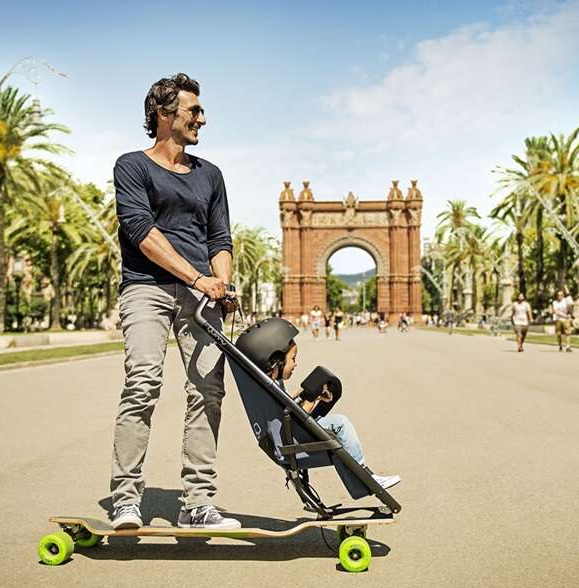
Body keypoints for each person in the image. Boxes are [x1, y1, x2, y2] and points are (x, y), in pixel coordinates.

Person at [110, 73, 240, 531]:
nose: (202, 118)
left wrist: (221, 283)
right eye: (193, 110)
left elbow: (219, 237)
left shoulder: (210, 174)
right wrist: (198, 278)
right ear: (164, 114)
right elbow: (142, 234)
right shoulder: (132, 166)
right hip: (146, 287)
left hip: (201, 293)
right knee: (143, 382)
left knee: (208, 391)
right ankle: (126, 498)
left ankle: (198, 503)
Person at [236, 318, 400, 489]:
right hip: (292, 445)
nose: (296, 363)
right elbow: (294, 420)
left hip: (287, 440)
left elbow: (287, 411)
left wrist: (309, 393)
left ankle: (362, 479)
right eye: (293, 358)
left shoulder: (265, 386)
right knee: (340, 424)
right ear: (276, 361)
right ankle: (365, 477)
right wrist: (312, 398)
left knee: (332, 419)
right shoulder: (270, 388)